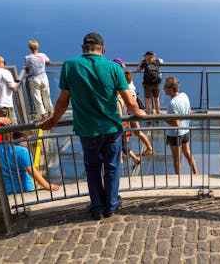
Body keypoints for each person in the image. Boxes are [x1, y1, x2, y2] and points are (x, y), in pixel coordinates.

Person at [42, 32, 146, 220]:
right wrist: (139, 112)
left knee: (92, 168)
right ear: (103, 49)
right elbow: (129, 102)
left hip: (87, 129)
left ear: (83, 49)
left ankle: (97, 207)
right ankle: (112, 205)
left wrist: (53, 121)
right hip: (112, 128)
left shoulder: (70, 66)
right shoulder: (114, 68)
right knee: (112, 167)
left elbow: (63, 100)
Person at [163, 77, 198, 175]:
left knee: (176, 158)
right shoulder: (184, 95)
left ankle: (178, 179)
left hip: (175, 135)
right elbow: (189, 111)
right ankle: (196, 173)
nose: (163, 89)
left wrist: (163, 117)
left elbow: (175, 123)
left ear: (170, 89)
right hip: (185, 131)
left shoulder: (172, 104)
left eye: (165, 87)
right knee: (187, 153)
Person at [124, 69, 153, 156]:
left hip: (127, 114)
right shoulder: (132, 87)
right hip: (132, 113)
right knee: (137, 132)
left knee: (124, 135)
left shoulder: (127, 89)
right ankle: (149, 147)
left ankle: (124, 154)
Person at [24, 40, 54, 121]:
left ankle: (43, 116)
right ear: (37, 47)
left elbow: (27, 70)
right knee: (46, 95)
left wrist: (27, 70)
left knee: (37, 98)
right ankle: (50, 113)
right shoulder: (42, 55)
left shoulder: (27, 58)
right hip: (44, 78)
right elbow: (48, 61)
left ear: (30, 48)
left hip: (34, 79)